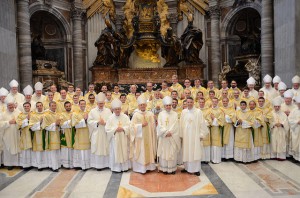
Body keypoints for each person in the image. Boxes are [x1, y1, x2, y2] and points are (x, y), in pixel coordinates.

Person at [180, 97, 209, 176]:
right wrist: (181, 135)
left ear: (193, 103)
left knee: (195, 152)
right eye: (187, 102)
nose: (189, 104)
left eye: (190, 102)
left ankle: (196, 169)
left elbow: (202, 123)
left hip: (195, 136)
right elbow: (181, 124)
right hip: (186, 136)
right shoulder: (183, 112)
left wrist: (201, 134)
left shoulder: (198, 112)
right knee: (186, 151)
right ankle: (186, 168)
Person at [130, 95, 157, 174]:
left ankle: (149, 167)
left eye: (144, 104)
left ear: (146, 105)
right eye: (141, 105)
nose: (142, 106)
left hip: (148, 137)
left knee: (149, 150)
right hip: (140, 138)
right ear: (138, 106)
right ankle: (141, 168)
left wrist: (154, 122)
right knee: (141, 151)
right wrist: (140, 125)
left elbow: (153, 125)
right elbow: (131, 127)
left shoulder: (150, 114)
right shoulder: (136, 114)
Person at [88, 93, 112, 170]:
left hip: (105, 132)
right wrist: (98, 123)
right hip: (97, 132)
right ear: (97, 103)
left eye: (102, 103)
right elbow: (89, 121)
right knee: (97, 148)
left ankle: (107, 164)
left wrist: (105, 123)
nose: (101, 105)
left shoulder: (108, 111)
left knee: (105, 147)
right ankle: (98, 165)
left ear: (104, 103)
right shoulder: (92, 111)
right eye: (99, 103)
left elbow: (111, 121)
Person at [105, 99, 131, 172]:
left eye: (118, 109)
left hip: (123, 138)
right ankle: (116, 168)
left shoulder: (125, 117)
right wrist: (115, 129)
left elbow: (129, 126)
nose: (117, 110)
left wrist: (123, 128)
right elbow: (107, 129)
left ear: (121, 109)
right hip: (114, 139)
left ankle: (125, 167)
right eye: (116, 109)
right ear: (113, 110)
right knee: (115, 152)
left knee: (124, 151)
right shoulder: (110, 118)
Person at [157, 96, 180, 174]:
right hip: (164, 137)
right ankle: (164, 169)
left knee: (172, 152)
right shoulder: (161, 114)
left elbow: (176, 124)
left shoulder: (175, 114)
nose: (168, 107)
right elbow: (159, 125)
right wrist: (166, 132)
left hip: (172, 136)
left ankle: (172, 169)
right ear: (164, 106)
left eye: (169, 105)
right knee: (164, 152)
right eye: (167, 105)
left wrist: (170, 132)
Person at [0, 95, 21, 170]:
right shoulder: (3, 114)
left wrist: (17, 122)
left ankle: (18, 163)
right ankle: (9, 164)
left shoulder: (18, 112)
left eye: (11, 105)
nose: (10, 106)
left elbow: (22, 120)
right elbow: (0, 123)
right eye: (9, 105)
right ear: (7, 106)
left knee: (17, 146)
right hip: (7, 135)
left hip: (17, 134)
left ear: (14, 105)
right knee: (8, 148)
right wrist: (8, 122)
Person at [42, 101, 61, 171]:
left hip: (57, 134)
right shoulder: (46, 115)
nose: (54, 107)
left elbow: (59, 125)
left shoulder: (57, 114)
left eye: (54, 106)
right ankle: (53, 166)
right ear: (49, 106)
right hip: (50, 135)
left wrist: (58, 125)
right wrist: (55, 124)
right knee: (52, 151)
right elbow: (45, 126)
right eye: (52, 106)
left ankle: (57, 165)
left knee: (56, 151)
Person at [72, 100, 91, 170]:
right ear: (79, 105)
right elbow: (75, 125)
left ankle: (88, 164)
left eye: (84, 104)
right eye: (81, 104)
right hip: (79, 134)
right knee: (80, 149)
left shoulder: (89, 113)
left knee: (87, 148)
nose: (83, 105)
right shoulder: (75, 114)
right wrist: (84, 119)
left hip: (87, 133)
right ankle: (79, 164)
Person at [29, 102, 47, 170]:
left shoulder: (46, 114)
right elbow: (30, 126)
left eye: (40, 105)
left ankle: (46, 164)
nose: (39, 107)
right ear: (36, 107)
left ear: (42, 106)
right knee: (39, 150)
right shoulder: (33, 115)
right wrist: (39, 123)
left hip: (45, 133)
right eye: (38, 106)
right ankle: (39, 165)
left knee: (45, 149)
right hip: (37, 135)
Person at [208, 98, 224, 164]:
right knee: (211, 143)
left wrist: (214, 119)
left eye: (215, 101)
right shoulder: (209, 110)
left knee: (216, 144)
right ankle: (211, 158)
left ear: (217, 102)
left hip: (217, 129)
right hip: (210, 129)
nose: (214, 103)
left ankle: (216, 159)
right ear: (211, 102)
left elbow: (221, 121)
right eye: (213, 101)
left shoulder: (220, 111)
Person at [17, 102, 32, 169]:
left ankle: (33, 163)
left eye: (27, 106)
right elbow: (19, 125)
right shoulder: (20, 115)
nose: (26, 107)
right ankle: (26, 165)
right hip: (25, 134)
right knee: (26, 149)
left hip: (33, 134)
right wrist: (26, 119)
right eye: (25, 106)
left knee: (33, 149)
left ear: (30, 107)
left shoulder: (34, 114)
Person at [60, 101, 74, 168]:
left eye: (69, 106)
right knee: (65, 148)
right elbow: (61, 125)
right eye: (67, 106)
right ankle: (66, 164)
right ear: (64, 107)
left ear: (71, 106)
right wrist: (69, 121)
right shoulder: (62, 114)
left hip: (72, 132)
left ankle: (72, 164)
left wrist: (69, 122)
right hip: (65, 133)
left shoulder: (74, 113)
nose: (68, 107)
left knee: (72, 147)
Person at [288, 96, 300, 162]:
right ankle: (296, 157)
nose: (299, 105)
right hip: (296, 129)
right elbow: (290, 119)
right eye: (299, 104)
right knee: (295, 143)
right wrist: (297, 122)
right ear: (297, 104)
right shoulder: (294, 110)